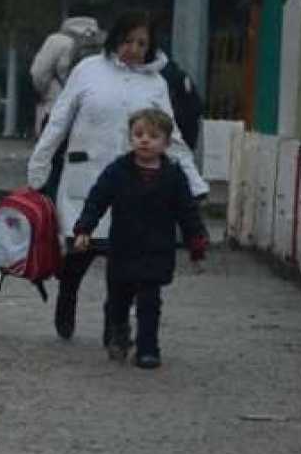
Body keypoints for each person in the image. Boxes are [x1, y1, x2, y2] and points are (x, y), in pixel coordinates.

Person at [26, 10, 209, 343]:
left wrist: (194, 182)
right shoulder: (87, 71)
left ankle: (116, 325)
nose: (134, 49)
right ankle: (67, 297)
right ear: (115, 39)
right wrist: (39, 165)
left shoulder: (155, 83)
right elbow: (59, 120)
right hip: (87, 176)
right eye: (128, 41)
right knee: (80, 251)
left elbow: (172, 136)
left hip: (131, 184)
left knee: (121, 261)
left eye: (142, 43)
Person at [72, 108, 208, 369]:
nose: (145, 140)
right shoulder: (117, 171)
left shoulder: (174, 176)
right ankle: (119, 332)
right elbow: (96, 201)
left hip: (157, 249)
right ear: (130, 138)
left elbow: (187, 212)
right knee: (118, 298)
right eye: (138, 134)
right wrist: (84, 230)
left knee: (149, 300)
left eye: (153, 136)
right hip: (123, 247)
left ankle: (148, 348)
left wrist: (196, 243)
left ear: (166, 144)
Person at [30, 13, 106, 136]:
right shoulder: (103, 41)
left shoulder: (57, 40)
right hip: (94, 111)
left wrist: (45, 94)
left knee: (53, 151)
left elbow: (39, 73)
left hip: (58, 106)